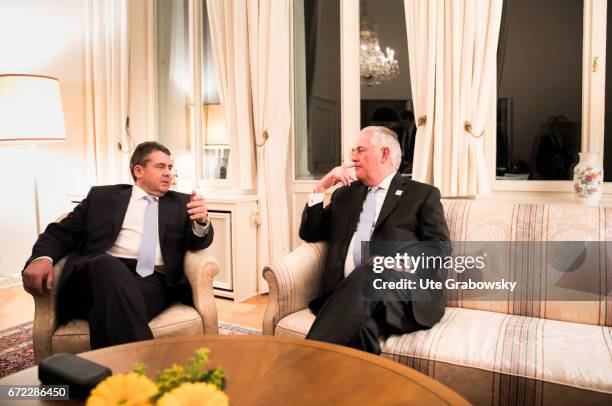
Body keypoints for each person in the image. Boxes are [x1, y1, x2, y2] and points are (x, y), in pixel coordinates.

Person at [21, 142, 214, 349]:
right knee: (107, 265)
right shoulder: (101, 197)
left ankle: (115, 375)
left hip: (151, 281)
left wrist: (201, 222)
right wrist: (42, 258)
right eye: (160, 167)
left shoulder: (181, 203)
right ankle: (144, 370)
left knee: (106, 311)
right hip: (96, 273)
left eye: (169, 167)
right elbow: (61, 232)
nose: (168, 173)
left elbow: (198, 242)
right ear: (138, 170)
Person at [300, 126, 451, 354]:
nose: (352, 157)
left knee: (366, 275)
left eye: (360, 150)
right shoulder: (345, 195)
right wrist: (322, 187)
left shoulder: (421, 194)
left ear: (384, 154)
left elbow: (439, 249)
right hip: (348, 295)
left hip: (402, 296)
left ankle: (302, 360)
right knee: (362, 326)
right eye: (354, 150)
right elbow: (310, 233)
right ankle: (365, 387)